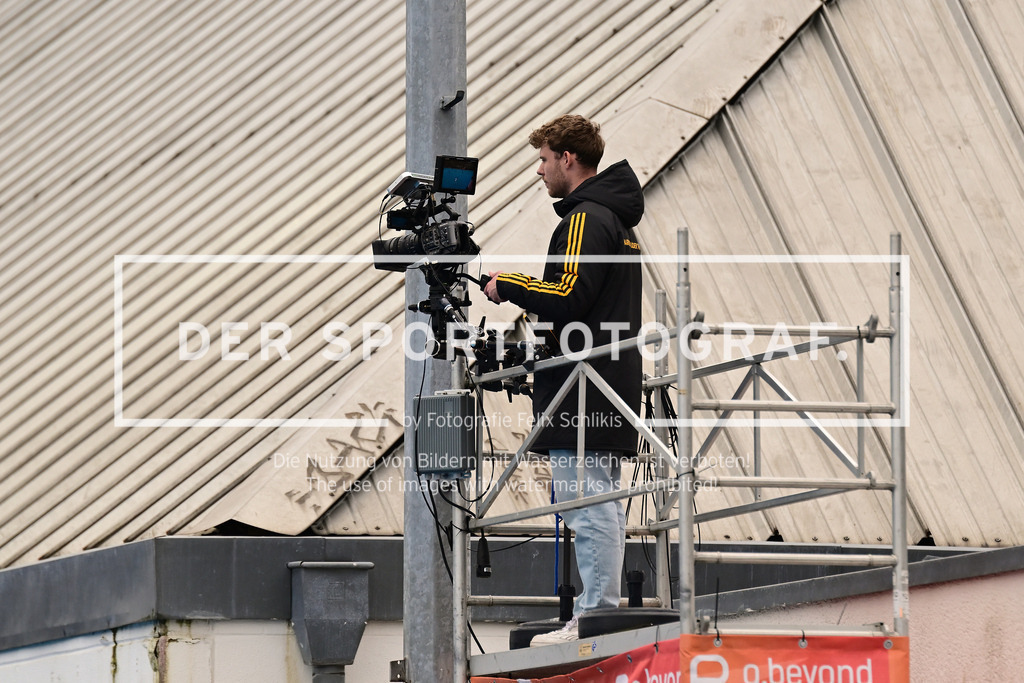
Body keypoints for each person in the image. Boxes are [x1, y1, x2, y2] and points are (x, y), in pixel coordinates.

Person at [484, 114, 644, 645]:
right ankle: (599, 612)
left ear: (568, 160)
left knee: (586, 502)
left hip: (585, 386)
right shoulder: (617, 220)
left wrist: (509, 284)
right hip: (607, 383)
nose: (540, 170)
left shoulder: (584, 217)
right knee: (596, 499)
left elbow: (568, 294)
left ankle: (594, 617)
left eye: (545, 159)